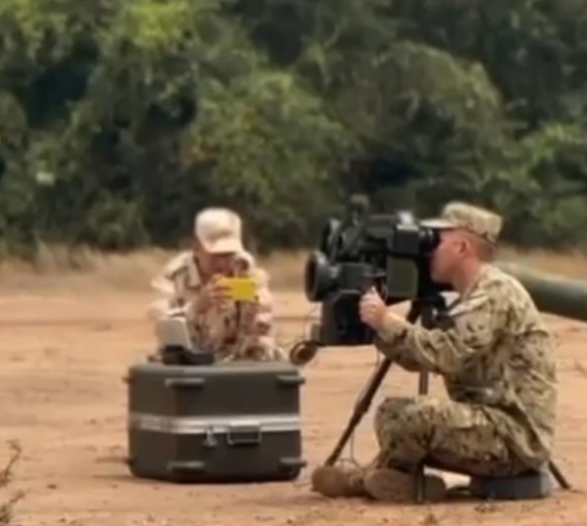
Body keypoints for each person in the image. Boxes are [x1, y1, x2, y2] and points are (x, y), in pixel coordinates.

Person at [309, 202, 557, 503]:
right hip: (489, 422)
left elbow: (449, 355)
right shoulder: (473, 295)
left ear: (462, 247)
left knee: (420, 418)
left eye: (437, 241)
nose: (430, 250)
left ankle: (372, 480)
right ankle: (397, 481)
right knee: (391, 413)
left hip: (514, 438)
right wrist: (380, 329)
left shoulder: (495, 293)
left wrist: (388, 322)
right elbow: (420, 359)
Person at [147, 207, 286, 363]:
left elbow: (264, 309)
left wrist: (258, 320)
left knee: (269, 350)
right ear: (196, 247)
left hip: (235, 357)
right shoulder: (174, 276)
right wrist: (197, 306)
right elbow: (162, 325)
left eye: (228, 254)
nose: (222, 263)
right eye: (216, 255)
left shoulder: (245, 269)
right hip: (189, 359)